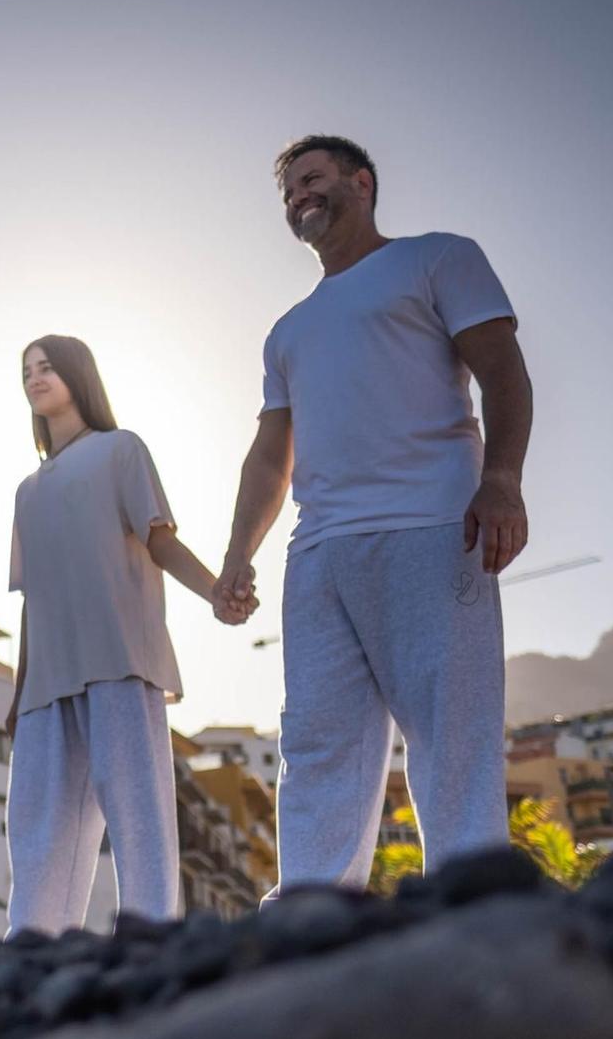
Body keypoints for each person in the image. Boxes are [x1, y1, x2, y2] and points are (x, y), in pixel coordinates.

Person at [214, 135, 535, 895]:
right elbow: (270, 455)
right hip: (320, 550)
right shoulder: (287, 330)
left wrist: (503, 480)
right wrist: (237, 553)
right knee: (319, 742)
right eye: (289, 190)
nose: (299, 196)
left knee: (451, 735)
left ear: (362, 182)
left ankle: (469, 905)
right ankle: (314, 912)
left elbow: (504, 371)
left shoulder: (437, 258)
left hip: (432, 525)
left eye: (313, 179)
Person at [5, 334, 221, 933]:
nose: (35, 378)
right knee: (38, 829)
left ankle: (153, 938)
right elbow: (32, 599)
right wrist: (19, 693)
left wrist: (217, 592)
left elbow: (159, 540)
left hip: (120, 662)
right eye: (27, 371)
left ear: (79, 375)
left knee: (138, 814)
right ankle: (30, 951)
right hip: (46, 685)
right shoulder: (27, 492)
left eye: (47, 367)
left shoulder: (121, 450)